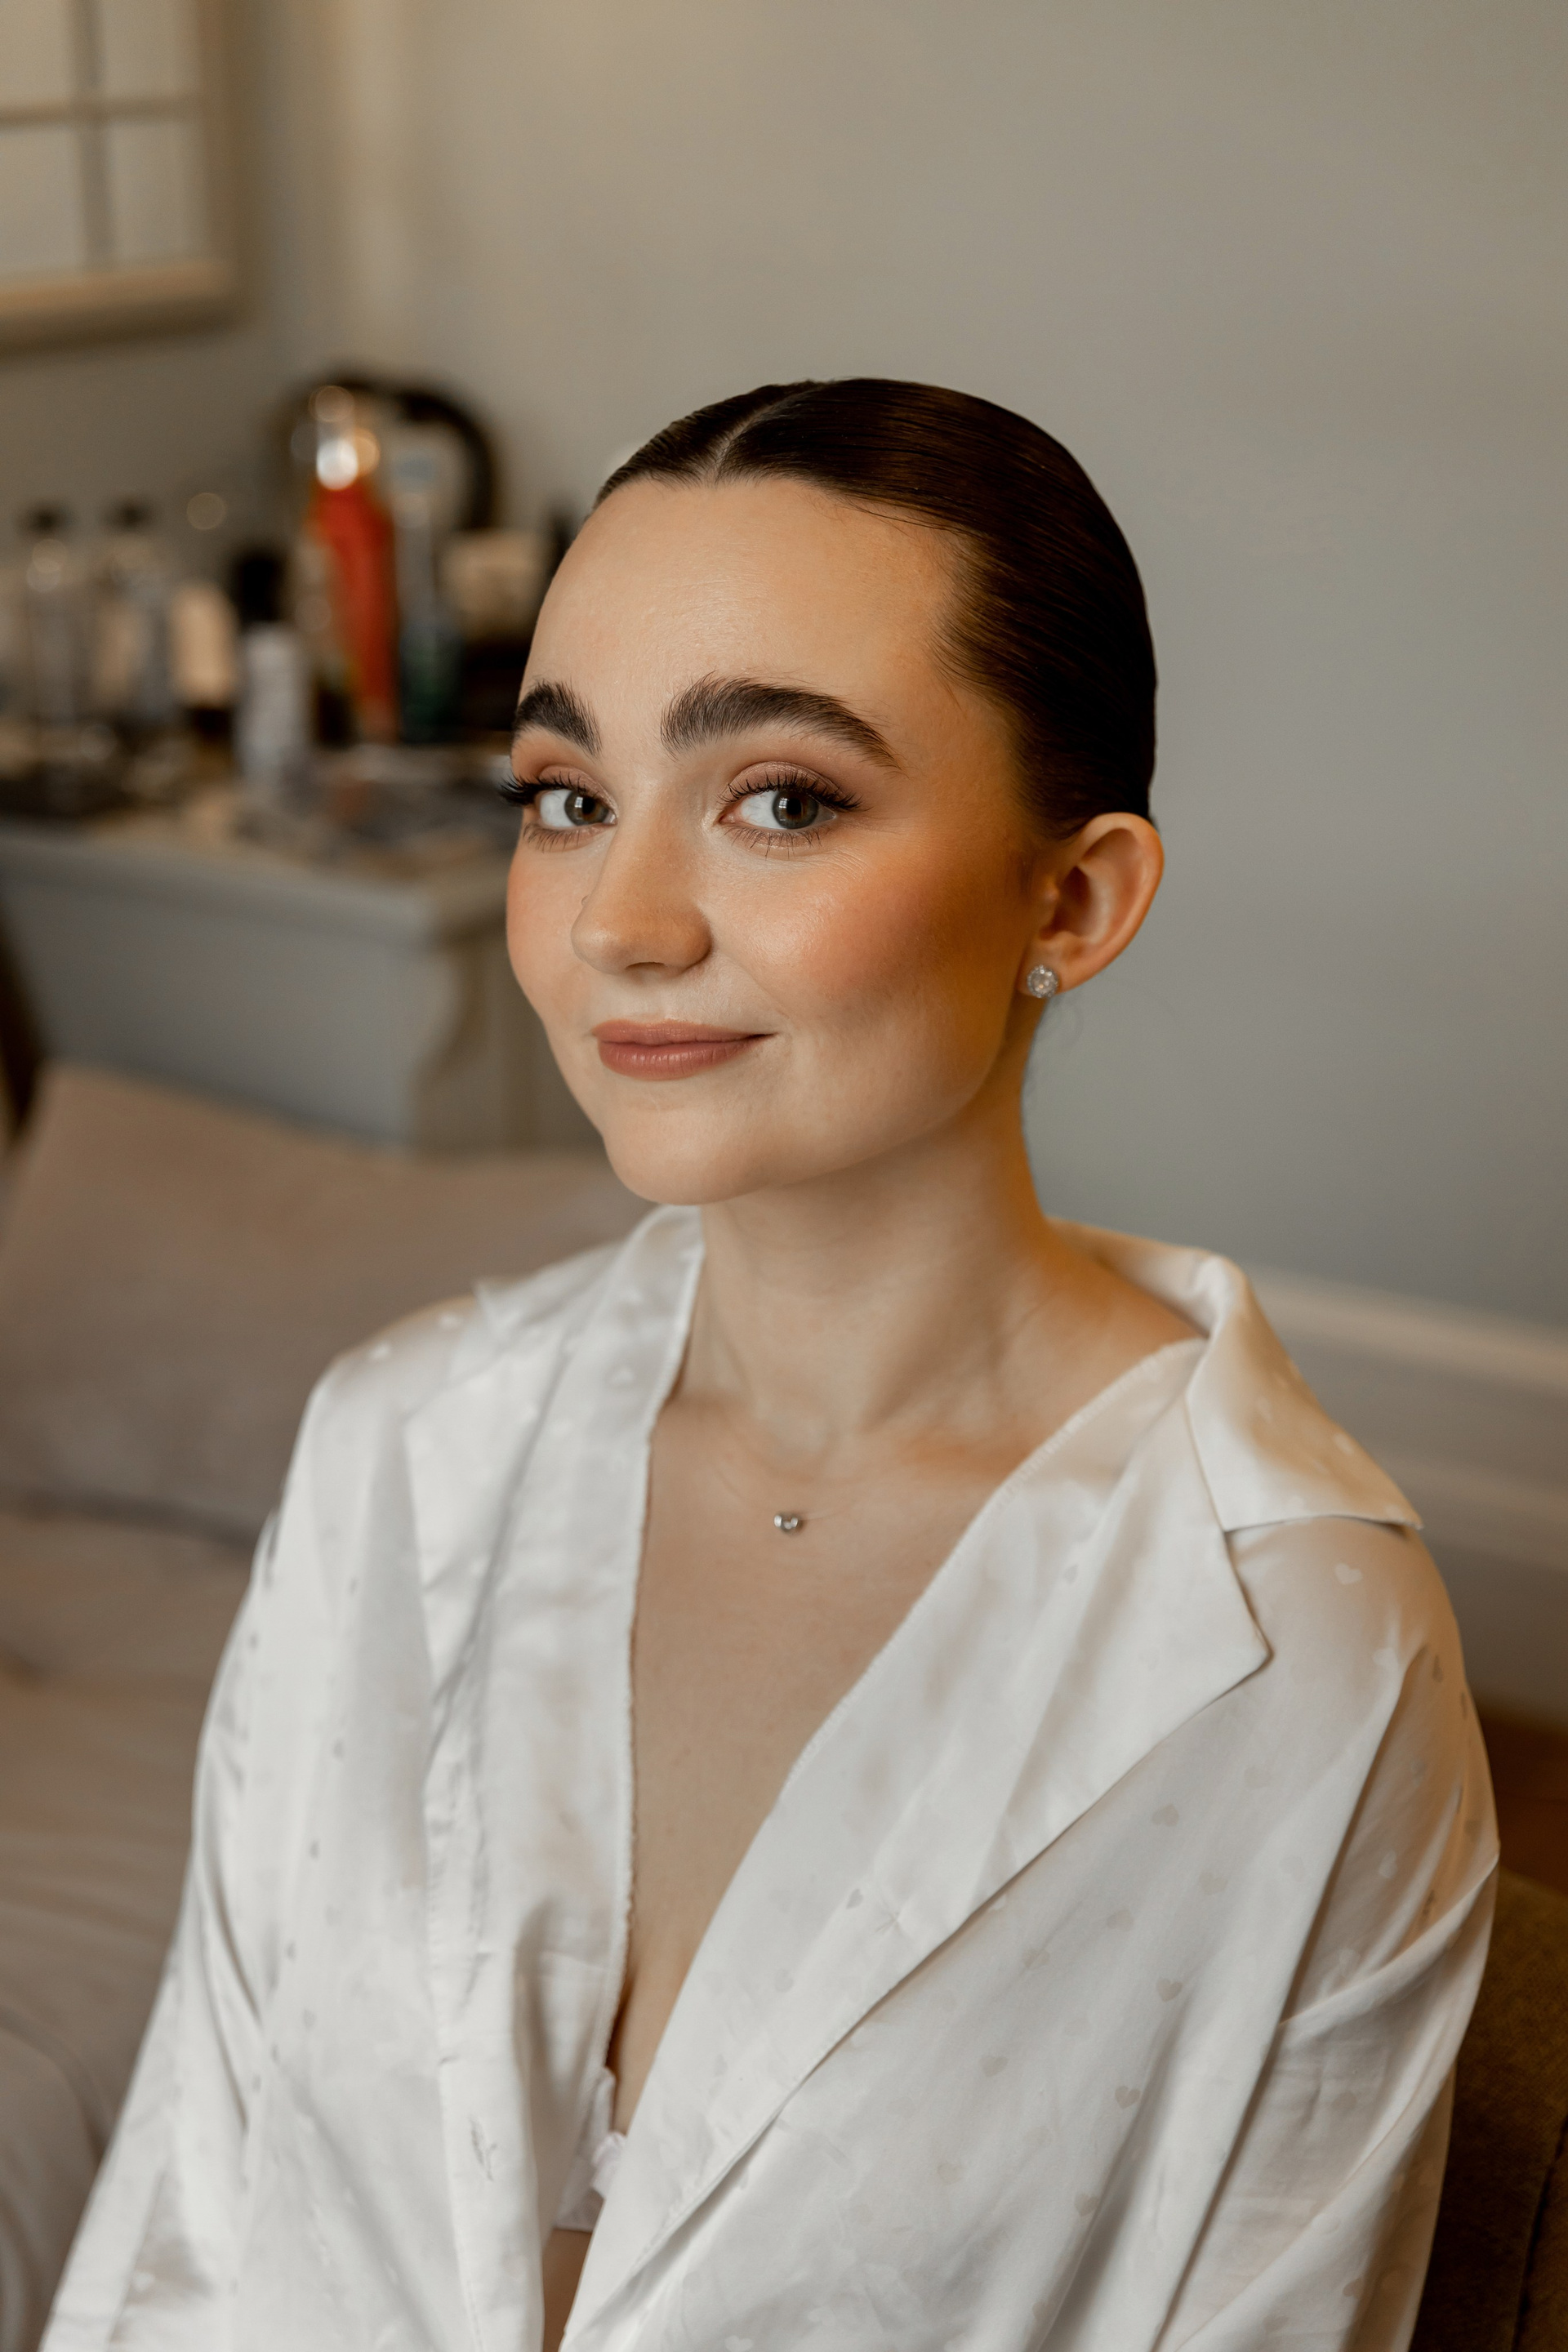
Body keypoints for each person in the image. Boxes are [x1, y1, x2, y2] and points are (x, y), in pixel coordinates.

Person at [46, 381, 1495, 2352]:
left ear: (1072, 900)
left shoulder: (1295, 1639)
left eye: (783, 800)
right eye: (568, 797)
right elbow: (188, 2231)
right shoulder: (400, 1446)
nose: (621, 925)